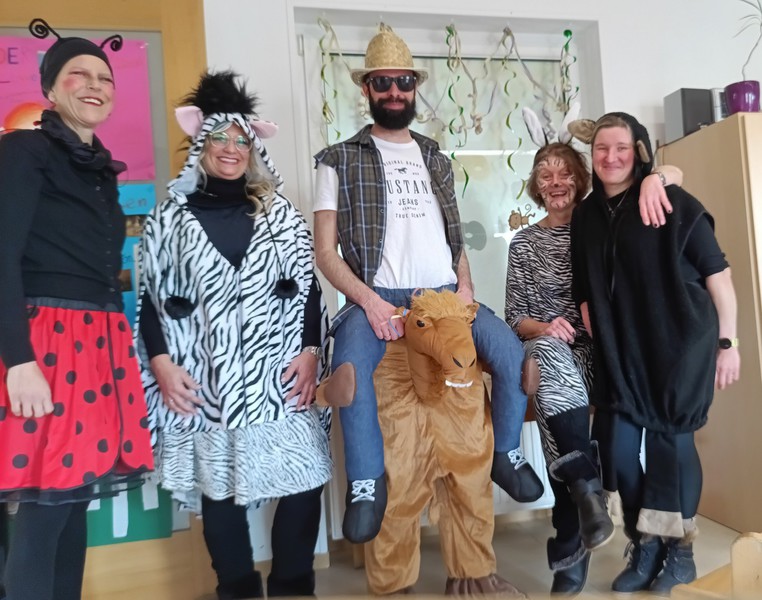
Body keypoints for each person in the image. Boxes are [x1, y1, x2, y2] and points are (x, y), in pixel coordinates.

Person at [313, 25, 543, 545]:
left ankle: (505, 452)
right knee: (350, 370)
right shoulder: (337, 159)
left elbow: (453, 238)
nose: (394, 91)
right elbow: (325, 252)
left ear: (415, 87)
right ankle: (366, 484)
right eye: (382, 82)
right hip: (376, 297)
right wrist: (369, 303)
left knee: (510, 354)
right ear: (367, 88)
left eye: (403, 81)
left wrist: (466, 290)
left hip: (444, 295)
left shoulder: (435, 156)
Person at [135, 71, 332, 600]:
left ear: (253, 147)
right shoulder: (169, 218)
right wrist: (161, 363)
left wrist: (310, 351)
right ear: (201, 142)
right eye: (219, 137)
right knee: (220, 490)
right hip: (207, 380)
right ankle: (238, 590)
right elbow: (150, 300)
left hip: (280, 375)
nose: (230, 149)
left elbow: (309, 291)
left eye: (241, 140)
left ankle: (292, 587)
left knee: (304, 480)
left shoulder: (281, 215)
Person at [0, 18, 154, 600]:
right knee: (43, 513)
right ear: (50, 87)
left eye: (104, 77)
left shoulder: (98, 168)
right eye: (78, 74)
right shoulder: (24, 150)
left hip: (99, 342)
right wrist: (18, 360)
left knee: (72, 502)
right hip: (45, 341)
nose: (94, 85)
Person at [569, 112, 740, 595]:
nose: (610, 157)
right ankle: (645, 541)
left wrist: (729, 343)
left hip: (679, 347)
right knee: (618, 453)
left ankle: (679, 553)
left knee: (671, 447)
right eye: (601, 148)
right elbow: (584, 282)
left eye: (621, 147)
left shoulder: (672, 200)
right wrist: (593, 318)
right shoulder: (586, 215)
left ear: (639, 151)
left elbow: (718, 277)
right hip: (622, 354)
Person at [506, 142, 682, 596]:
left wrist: (654, 179)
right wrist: (546, 326)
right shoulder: (524, 244)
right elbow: (514, 318)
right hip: (549, 352)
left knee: (556, 420)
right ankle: (587, 491)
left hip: (601, 356)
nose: (555, 183)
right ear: (535, 185)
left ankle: (573, 540)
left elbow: (674, 178)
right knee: (548, 359)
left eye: (564, 173)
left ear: (580, 180)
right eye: (545, 175)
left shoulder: (598, 229)